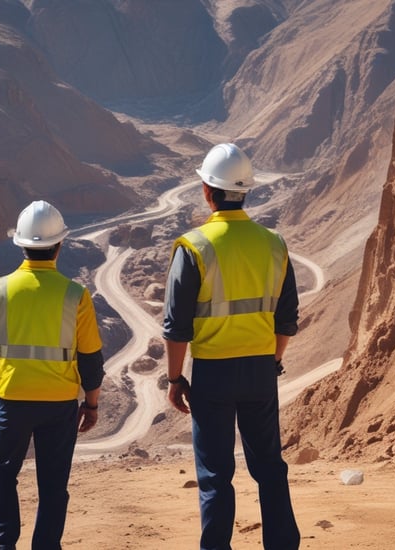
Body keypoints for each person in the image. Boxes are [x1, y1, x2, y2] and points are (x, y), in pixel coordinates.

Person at [162, 143, 301, 550]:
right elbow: (287, 317)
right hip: (259, 370)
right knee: (270, 468)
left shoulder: (193, 247)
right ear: (246, 191)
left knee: (215, 474)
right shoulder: (274, 243)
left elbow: (176, 327)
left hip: (212, 374)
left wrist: (174, 378)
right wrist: (271, 361)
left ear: (208, 190)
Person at [0, 200, 105, 550]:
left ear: (21, 244)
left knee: (2, 474)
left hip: (11, 400)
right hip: (59, 405)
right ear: (60, 245)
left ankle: (3, 545)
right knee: (53, 483)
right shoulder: (76, 295)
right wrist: (91, 404)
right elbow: (90, 359)